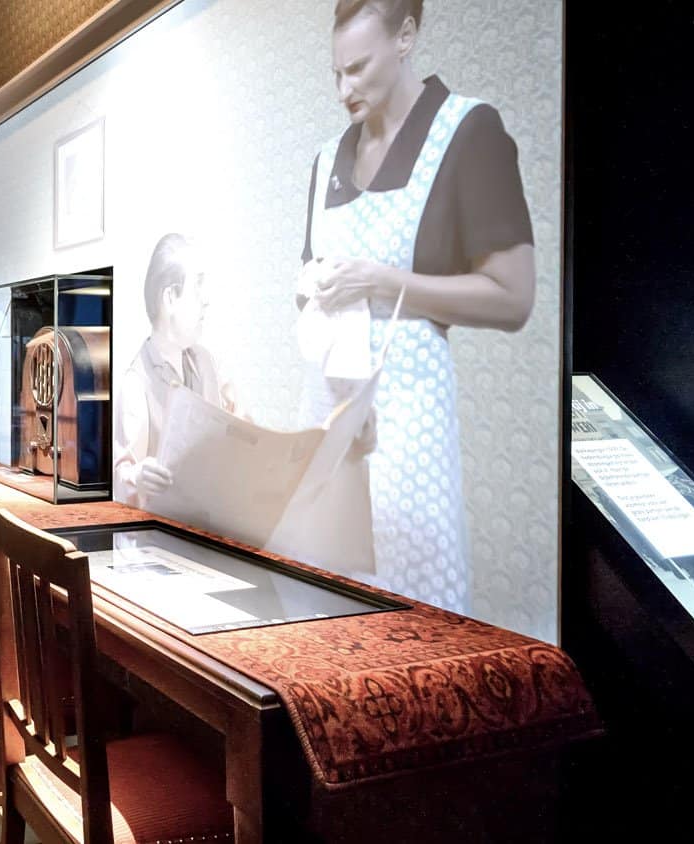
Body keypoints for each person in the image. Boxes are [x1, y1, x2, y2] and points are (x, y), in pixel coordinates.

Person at [295, 0, 535, 613]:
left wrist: (382, 280)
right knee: (321, 608)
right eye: (334, 74)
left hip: (409, 428)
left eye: (358, 69)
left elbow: (513, 297)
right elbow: (309, 276)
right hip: (330, 414)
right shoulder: (327, 161)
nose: (344, 89)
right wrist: (313, 287)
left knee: (412, 609)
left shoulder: (467, 131)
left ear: (406, 38)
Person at [113, 233, 236, 508]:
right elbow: (123, 473)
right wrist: (138, 475)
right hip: (163, 533)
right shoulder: (137, 381)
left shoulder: (206, 362)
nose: (206, 300)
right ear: (170, 297)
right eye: (198, 285)